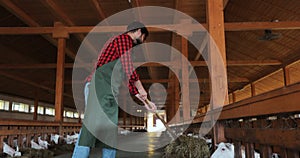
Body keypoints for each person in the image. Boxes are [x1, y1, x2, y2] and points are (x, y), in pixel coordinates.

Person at [72, 21, 156, 158]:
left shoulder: (122, 47)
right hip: (99, 87)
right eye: (143, 38)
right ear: (139, 32)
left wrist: (144, 100)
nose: (142, 41)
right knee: (91, 127)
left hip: (107, 90)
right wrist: (141, 88)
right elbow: (128, 66)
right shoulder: (124, 39)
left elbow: (126, 76)